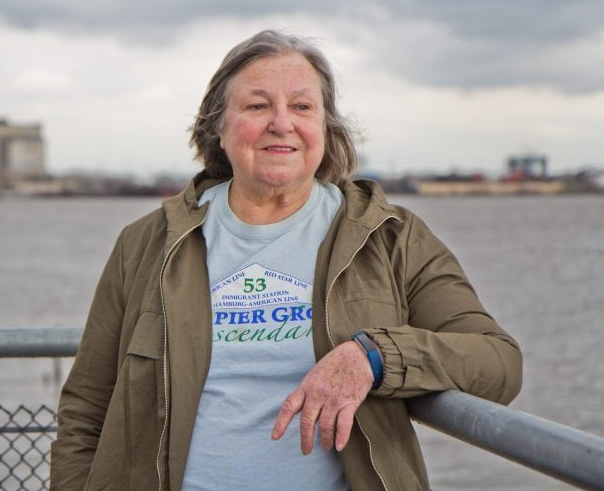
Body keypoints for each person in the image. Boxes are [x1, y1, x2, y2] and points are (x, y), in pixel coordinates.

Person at [50, 30, 522, 491]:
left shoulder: (391, 237)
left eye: (301, 106)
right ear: (218, 125)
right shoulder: (146, 243)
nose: (282, 122)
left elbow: (497, 363)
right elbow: (86, 409)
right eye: (257, 105)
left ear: (324, 126)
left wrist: (373, 355)